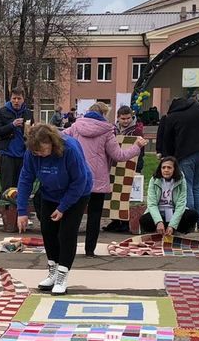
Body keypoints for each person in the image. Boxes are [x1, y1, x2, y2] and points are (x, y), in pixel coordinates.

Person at [62, 101, 147, 257]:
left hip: (77, 179)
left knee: (74, 216)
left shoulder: (75, 127)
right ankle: (89, 251)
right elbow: (119, 156)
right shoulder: (107, 131)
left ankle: (68, 249)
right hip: (98, 180)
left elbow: (59, 138)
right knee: (94, 217)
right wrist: (137, 146)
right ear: (103, 114)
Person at [17, 123, 92, 295]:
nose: (40, 155)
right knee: (48, 231)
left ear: (52, 142)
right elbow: (25, 179)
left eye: (43, 150)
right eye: (36, 152)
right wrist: (22, 211)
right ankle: (53, 270)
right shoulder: (32, 153)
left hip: (76, 193)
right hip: (50, 193)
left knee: (66, 233)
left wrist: (63, 207)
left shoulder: (70, 149)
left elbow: (79, 181)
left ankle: (62, 275)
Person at [157, 94, 199, 230]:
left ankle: (190, 219)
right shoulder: (198, 110)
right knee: (198, 185)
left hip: (185, 154)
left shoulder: (173, 116)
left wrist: (167, 156)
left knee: (186, 185)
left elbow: (168, 139)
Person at [146, 156, 197, 236]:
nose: (166, 170)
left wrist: (172, 225)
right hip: (159, 212)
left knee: (192, 215)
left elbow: (181, 205)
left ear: (174, 169)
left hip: (173, 212)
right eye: (163, 167)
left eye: (169, 167)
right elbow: (151, 204)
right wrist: (158, 221)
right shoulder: (154, 180)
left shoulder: (181, 180)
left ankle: (177, 232)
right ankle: (157, 232)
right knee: (145, 219)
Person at [0, 89, 33, 192]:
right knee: (7, 187)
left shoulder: (28, 113)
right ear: (10, 99)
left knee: (21, 185)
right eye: (14, 98)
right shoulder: (2, 111)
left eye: (19, 98)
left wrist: (32, 130)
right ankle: (6, 207)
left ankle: (19, 207)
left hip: (23, 154)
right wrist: (12, 125)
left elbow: (32, 133)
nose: (16, 101)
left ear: (23, 99)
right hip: (7, 154)